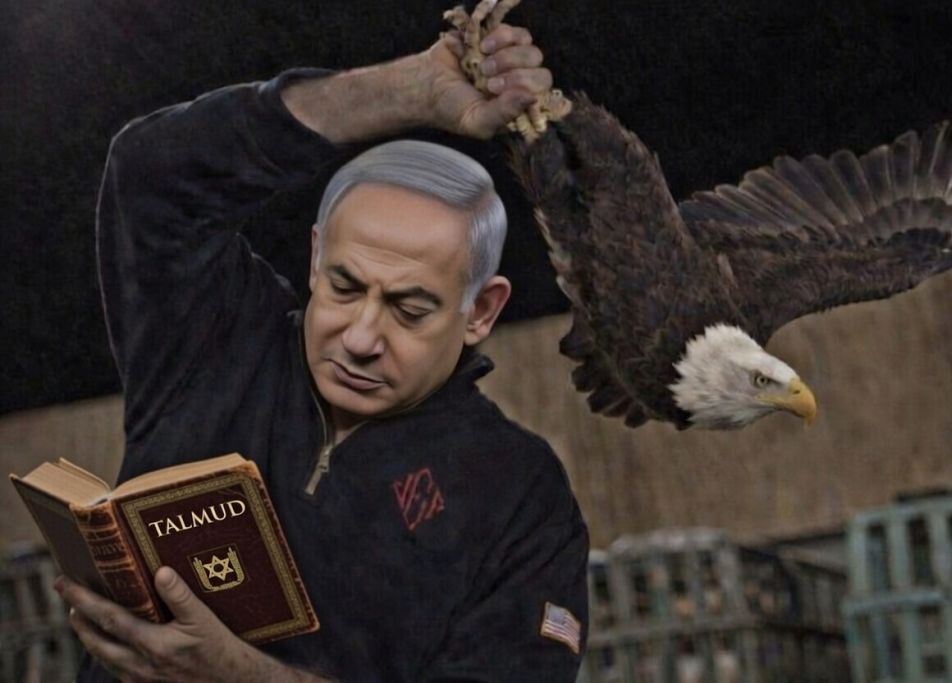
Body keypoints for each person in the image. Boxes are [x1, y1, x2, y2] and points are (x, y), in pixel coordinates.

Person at [54, 19, 589, 683]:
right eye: (344, 286)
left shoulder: (520, 497)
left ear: (481, 311)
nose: (360, 338)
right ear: (314, 258)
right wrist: (410, 90)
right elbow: (150, 173)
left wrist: (235, 675)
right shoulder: (213, 339)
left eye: (409, 309)